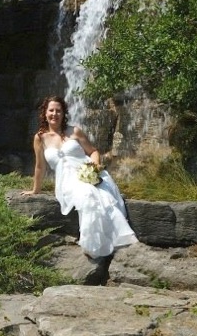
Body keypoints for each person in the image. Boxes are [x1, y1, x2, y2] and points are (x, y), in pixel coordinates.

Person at [23, 95, 138, 258]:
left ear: (63, 113)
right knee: (88, 195)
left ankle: (108, 240)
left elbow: (93, 151)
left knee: (103, 196)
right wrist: (35, 190)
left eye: (58, 111)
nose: (54, 114)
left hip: (87, 172)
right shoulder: (39, 138)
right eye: (51, 110)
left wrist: (95, 167)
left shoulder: (74, 131)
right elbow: (40, 166)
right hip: (67, 181)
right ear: (45, 113)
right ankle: (93, 244)